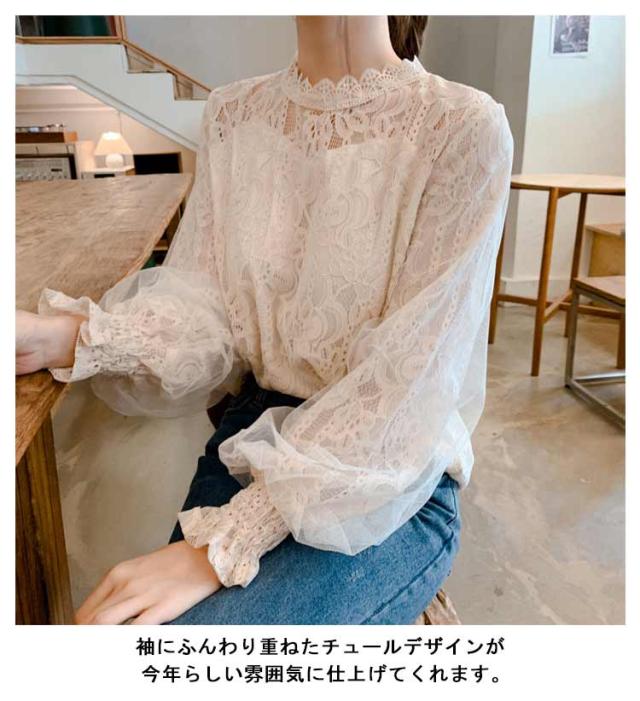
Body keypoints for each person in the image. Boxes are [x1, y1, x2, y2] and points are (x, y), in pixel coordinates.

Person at [15, 15, 514, 624]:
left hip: (390, 478)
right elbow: (204, 308)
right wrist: (72, 337)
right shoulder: (234, 115)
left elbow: (411, 382)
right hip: (249, 445)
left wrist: (222, 544)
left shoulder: (461, 125)